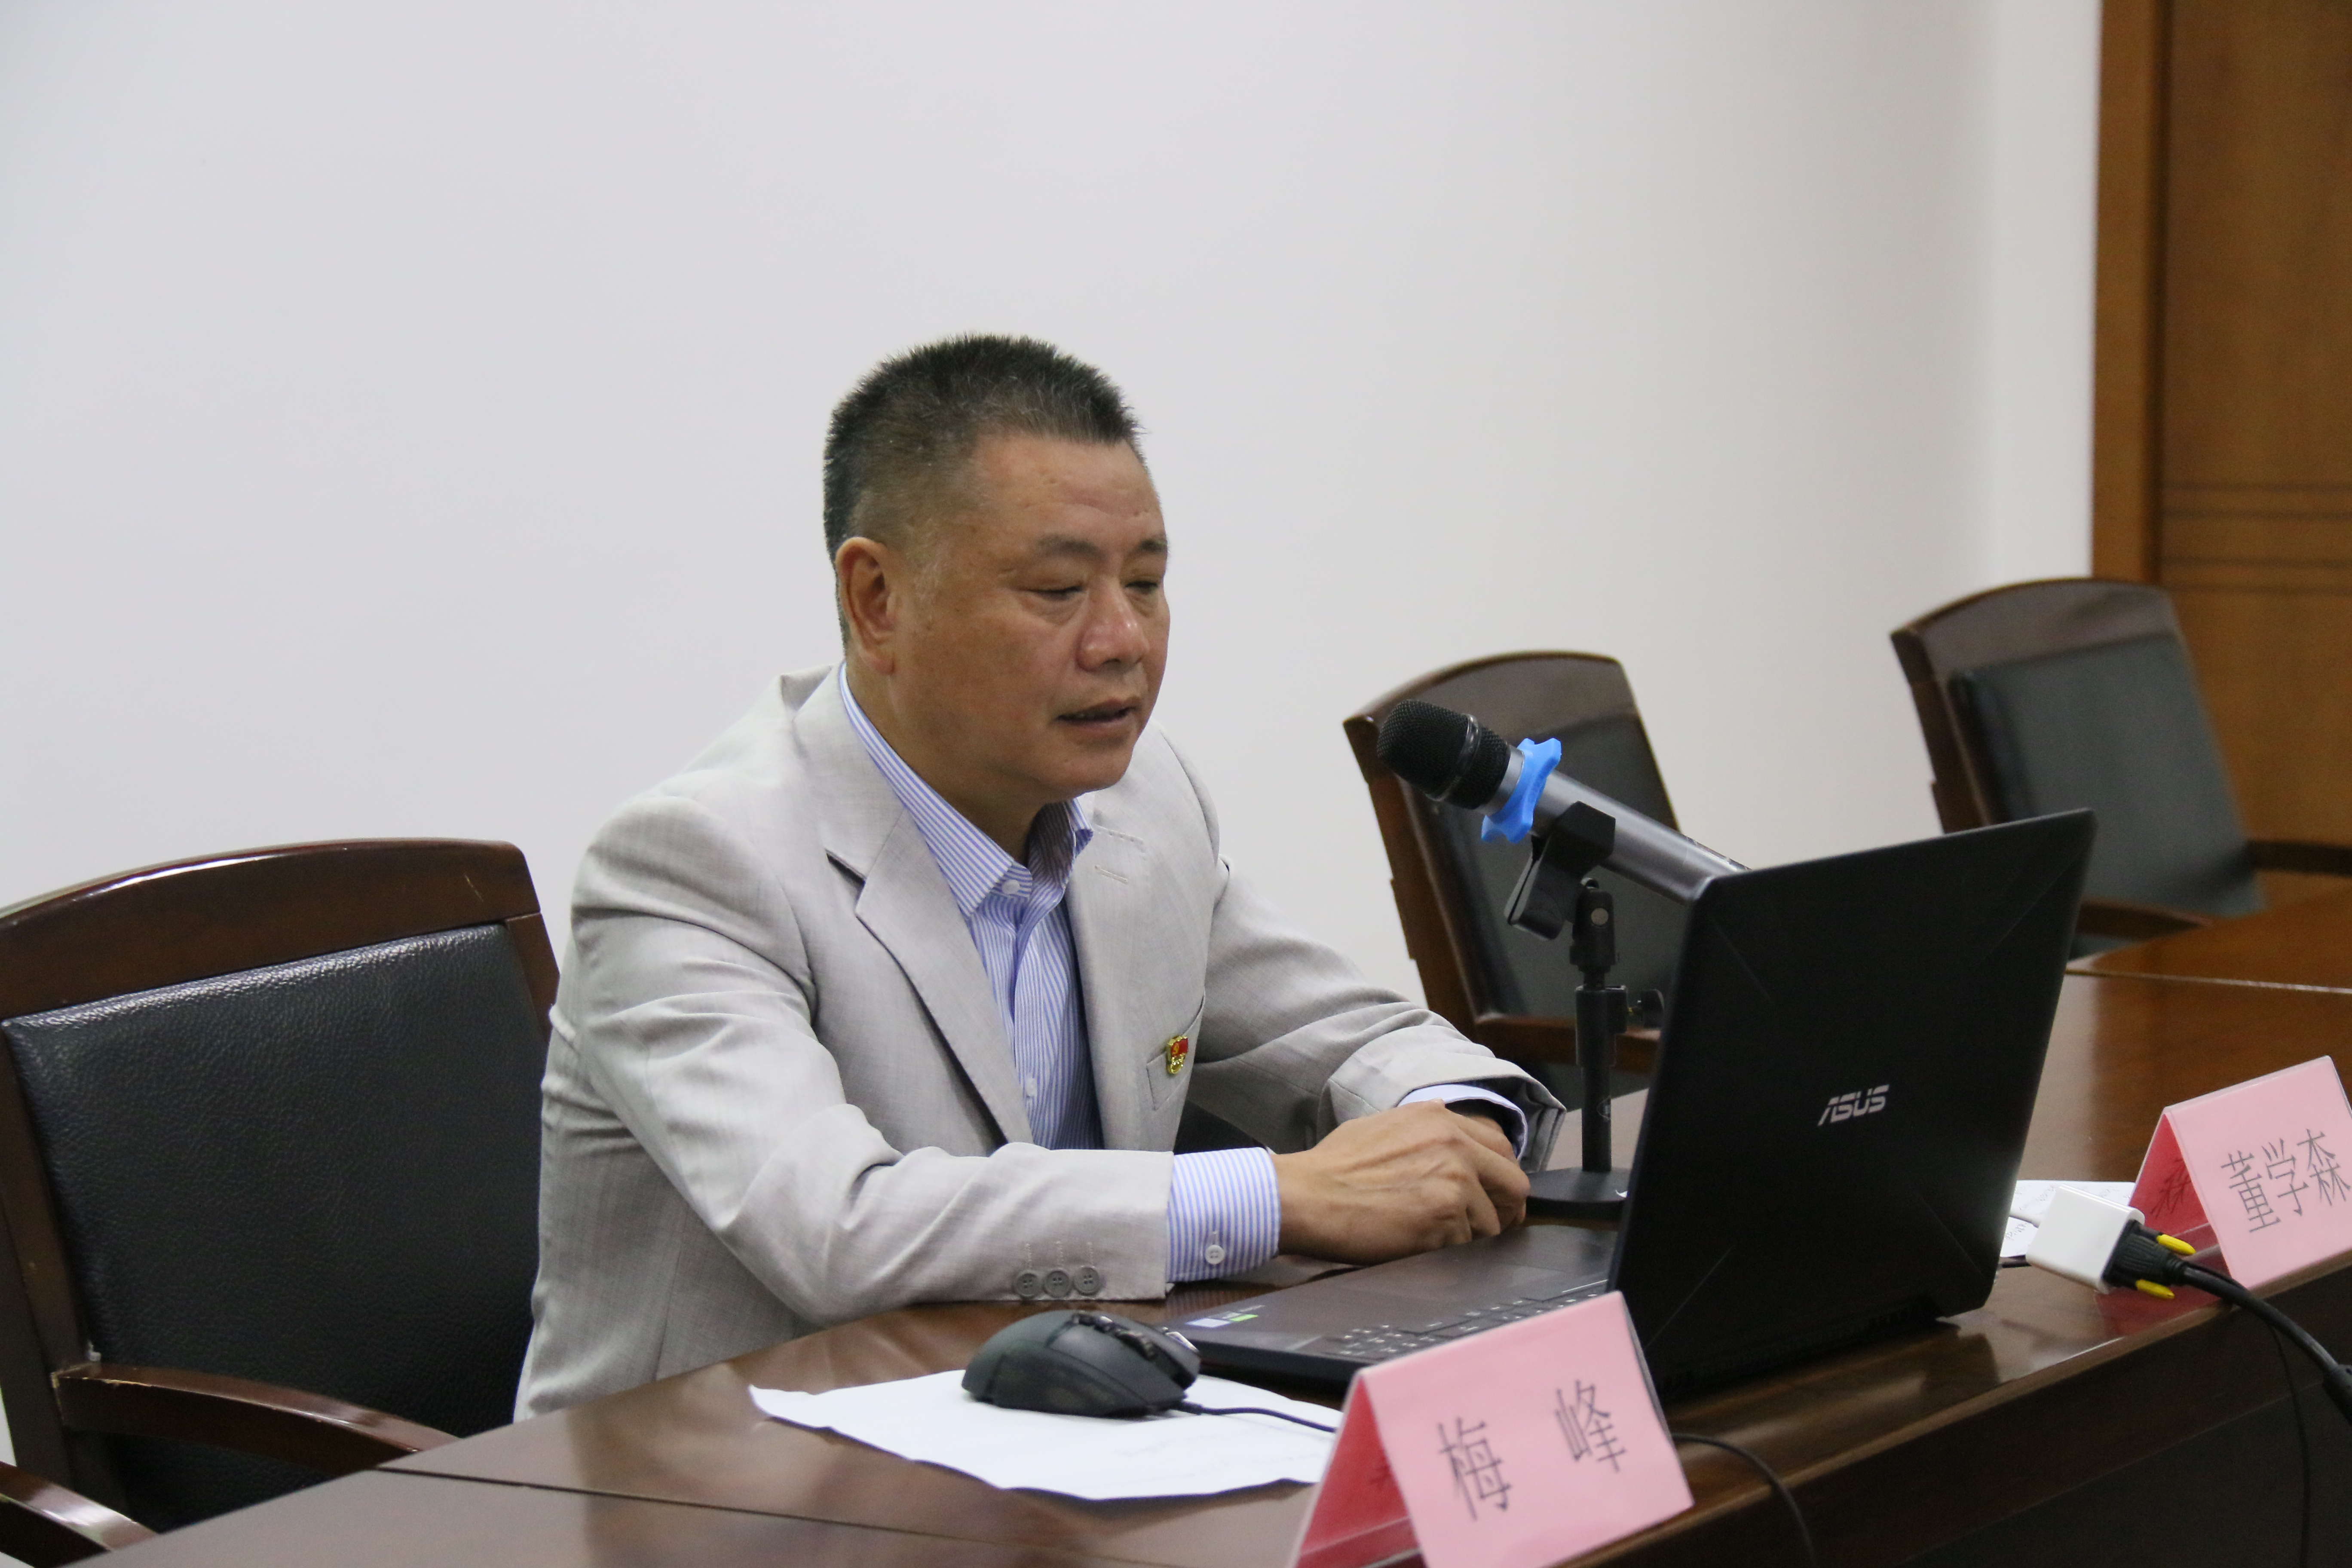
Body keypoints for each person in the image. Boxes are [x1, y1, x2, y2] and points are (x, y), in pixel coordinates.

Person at [515, 335, 1561, 1415]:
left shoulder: (1142, 800)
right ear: (878, 600)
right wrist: (1278, 1197)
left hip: (1048, 1433)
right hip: (714, 1473)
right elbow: (837, 1229)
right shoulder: (695, 865)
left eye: (1146, 583)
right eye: (1058, 590)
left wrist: (1452, 1133)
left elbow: (1348, 1039)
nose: (1122, 640)